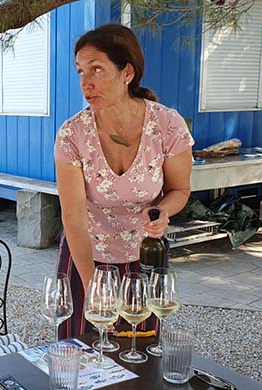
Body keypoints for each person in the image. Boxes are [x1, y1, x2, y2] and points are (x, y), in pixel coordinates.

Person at [54, 24, 193, 341]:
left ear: (127, 72)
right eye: (80, 72)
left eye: (97, 69)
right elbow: (73, 216)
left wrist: (162, 213)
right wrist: (93, 287)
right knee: (82, 352)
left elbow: (179, 190)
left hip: (143, 257)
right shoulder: (71, 133)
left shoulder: (167, 124)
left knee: (137, 354)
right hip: (85, 256)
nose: (85, 83)